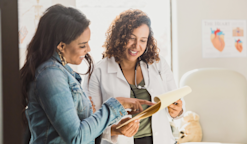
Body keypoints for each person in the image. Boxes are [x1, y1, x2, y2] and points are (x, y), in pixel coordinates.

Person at [20, 5, 154, 144]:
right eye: (83, 45)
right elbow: (76, 138)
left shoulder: (62, 72)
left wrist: (116, 129)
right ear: (61, 46)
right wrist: (116, 105)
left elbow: (80, 130)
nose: (88, 49)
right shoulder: (51, 77)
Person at [85, 9, 185, 144]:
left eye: (143, 40)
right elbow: (89, 123)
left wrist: (177, 111)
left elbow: (176, 103)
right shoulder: (98, 71)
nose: (136, 46)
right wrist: (116, 130)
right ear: (119, 37)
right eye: (131, 38)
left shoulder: (157, 64)